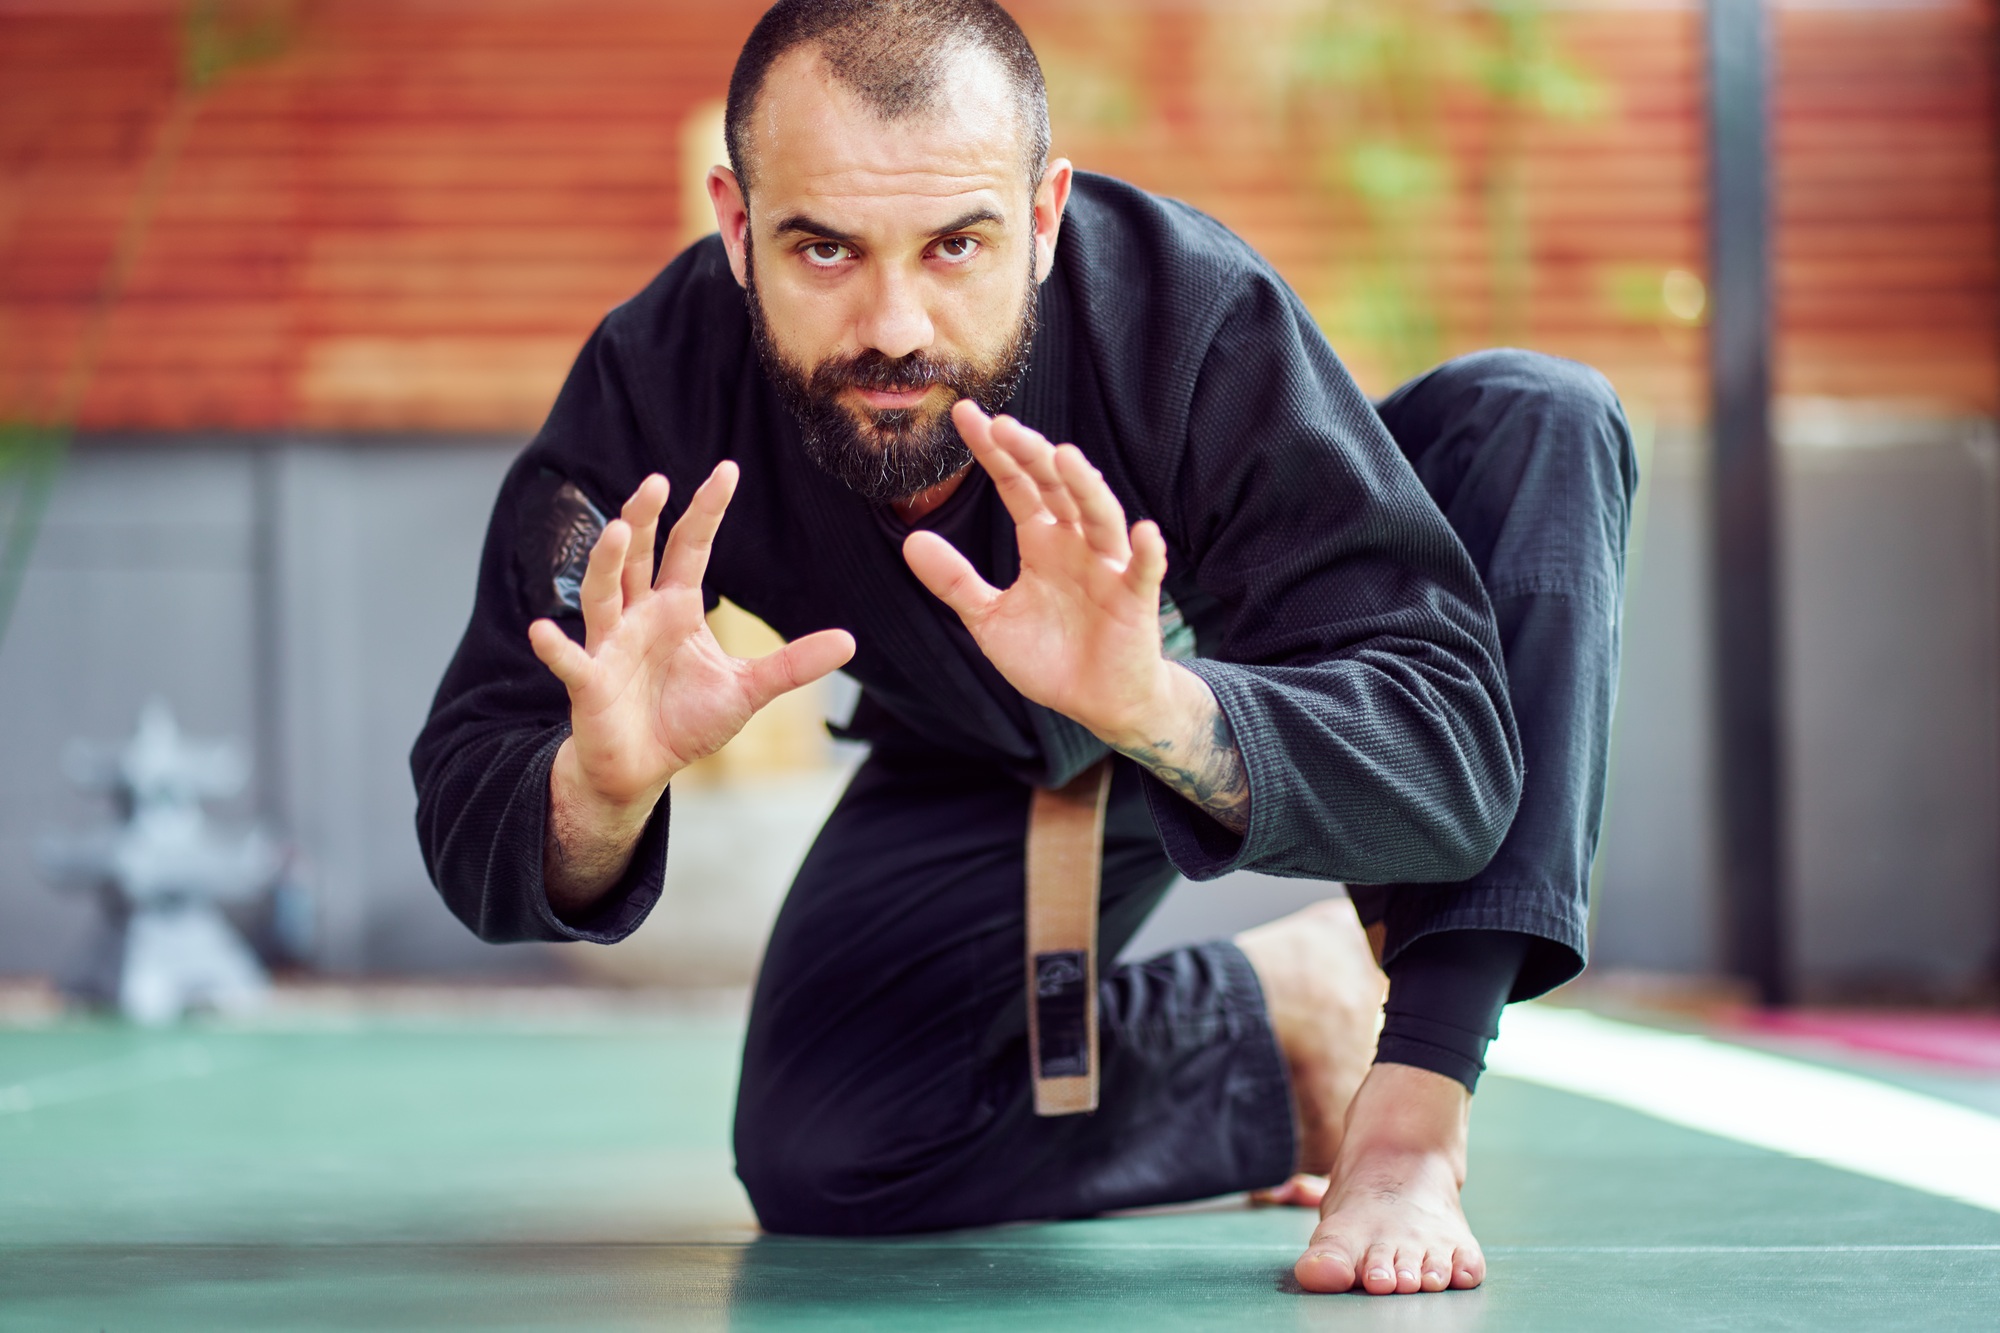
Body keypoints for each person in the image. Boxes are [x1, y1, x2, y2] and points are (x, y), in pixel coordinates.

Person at [411, 0, 1635, 1297]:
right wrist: (597, 788)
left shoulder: (1192, 321)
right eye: (824, 250)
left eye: (956, 246)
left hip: (1206, 676)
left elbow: (1450, 768)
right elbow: (474, 783)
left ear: (1044, 217)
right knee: (830, 1157)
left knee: (1534, 418)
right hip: (969, 736)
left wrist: (1159, 704)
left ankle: (1407, 1116)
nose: (894, 322)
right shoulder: (655, 383)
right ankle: (1285, 1035)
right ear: (736, 223)